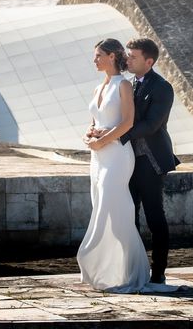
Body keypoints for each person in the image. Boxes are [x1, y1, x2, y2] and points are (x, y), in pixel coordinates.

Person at [76, 38, 150, 293]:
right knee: (102, 206)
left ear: (111, 57)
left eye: (98, 55)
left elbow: (128, 122)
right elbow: (93, 121)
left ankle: (93, 257)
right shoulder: (98, 88)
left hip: (117, 155)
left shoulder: (124, 85)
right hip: (98, 157)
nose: (94, 60)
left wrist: (103, 141)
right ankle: (112, 270)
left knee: (111, 207)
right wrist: (89, 137)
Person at [121, 38, 180, 284]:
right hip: (127, 162)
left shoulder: (163, 87)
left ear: (149, 61)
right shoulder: (129, 84)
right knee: (129, 215)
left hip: (152, 161)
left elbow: (152, 125)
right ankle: (134, 270)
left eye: (133, 56)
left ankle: (158, 273)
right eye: (128, 55)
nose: (128, 59)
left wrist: (119, 136)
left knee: (155, 217)